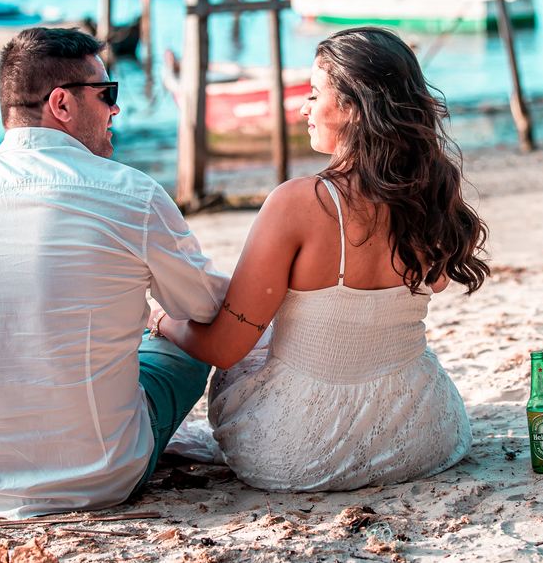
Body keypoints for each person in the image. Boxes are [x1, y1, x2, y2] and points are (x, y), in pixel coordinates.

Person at [0, 27, 228, 518]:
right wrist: (155, 321)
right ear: (62, 104)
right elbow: (207, 307)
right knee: (186, 344)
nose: (116, 108)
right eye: (107, 93)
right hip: (103, 474)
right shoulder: (133, 195)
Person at [153, 26, 487, 491]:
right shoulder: (429, 194)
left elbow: (223, 348)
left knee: (242, 348)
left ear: (352, 107)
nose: (303, 107)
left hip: (298, 452)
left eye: (314, 94)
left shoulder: (298, 203)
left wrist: (163, 322)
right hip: (423, 432)